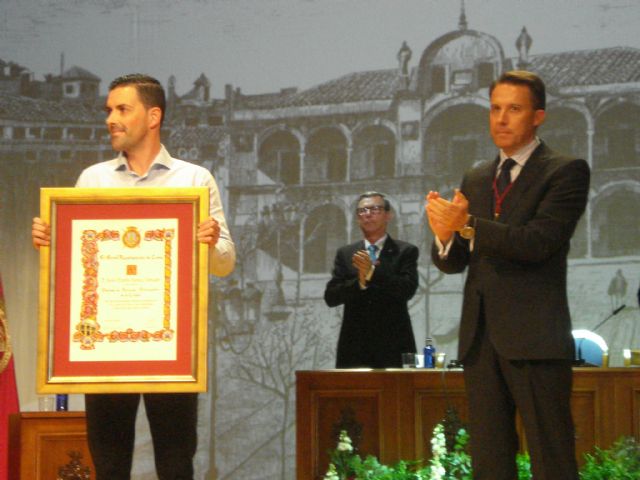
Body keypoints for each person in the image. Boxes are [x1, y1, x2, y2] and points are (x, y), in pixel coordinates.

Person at [32, 74, 235, 480]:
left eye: (122, 109)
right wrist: (52, 240)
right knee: (108, 464)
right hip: (105, 351)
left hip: (171, 350)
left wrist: (210, 243)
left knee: (176, 463)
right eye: (109, 110)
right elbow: (78, 262)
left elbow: (225, 263)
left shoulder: (194, 180)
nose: (111, 118)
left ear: (153, 115)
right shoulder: (93, 179)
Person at [425, 70, 589, 480]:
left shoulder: (565, 171)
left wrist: (468, 227)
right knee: (490, 460)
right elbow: (454, 261)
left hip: (536, 339)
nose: (501, 119)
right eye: (495, 109)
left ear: (538, 116)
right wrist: (445, 237)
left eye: (513, 109)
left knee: (551, 458)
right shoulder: (477, 176)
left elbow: (537, 243)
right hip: (481, 341)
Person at [324, 192, 418, 368]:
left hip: (394, 342)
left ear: (388, 215)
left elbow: (407, 289)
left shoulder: (405, 251)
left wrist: (372, 272)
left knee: (398, 394)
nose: (367, 214)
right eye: (362, 210)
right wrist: (359, 282)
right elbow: (331, 297)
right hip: (354, 345)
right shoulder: (346, 253)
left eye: (375, 209)